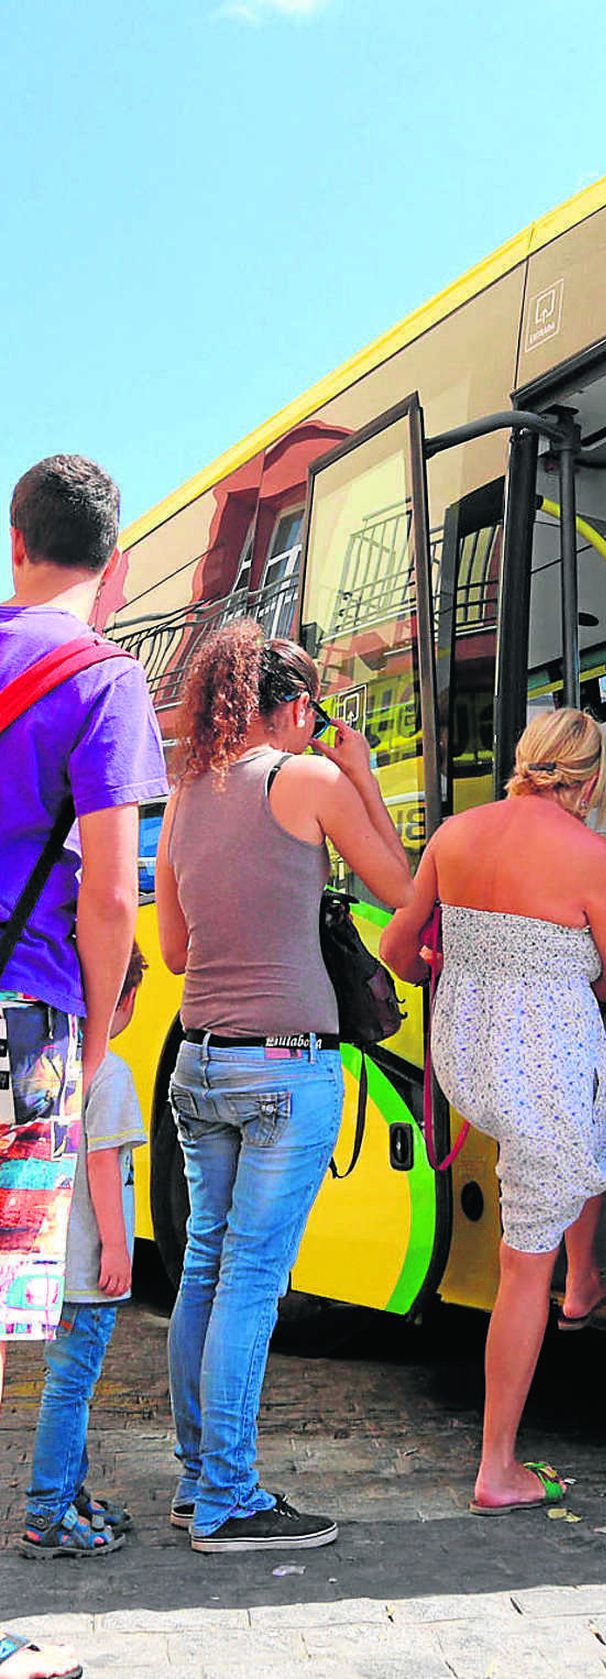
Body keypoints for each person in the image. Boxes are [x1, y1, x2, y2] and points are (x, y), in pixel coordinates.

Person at [156, 619, 412, 1552]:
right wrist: (367, 786)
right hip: (282, 1066)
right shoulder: (306, 780)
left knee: (206, 1265)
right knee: (254, 1279)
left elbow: (176, 949)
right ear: (299, 707)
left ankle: (196, 1482)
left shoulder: (187, 791)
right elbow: (401, 887)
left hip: (200, 1059)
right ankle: (228, 1500)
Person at [379, 709, 606, 1516]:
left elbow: (397, 952)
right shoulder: (592, 856)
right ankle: (499, 1465)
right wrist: (567, 966)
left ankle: (586, 1276)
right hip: (546, 1078)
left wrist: (457, 955)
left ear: (525, 764)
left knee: (547, 1206)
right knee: (524, 1265)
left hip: (470, 1064)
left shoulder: (455, 835)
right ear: (591, 779)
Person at [2, 456, 163, 1673]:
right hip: (28, 1017)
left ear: (16, 542)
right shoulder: (105, 679)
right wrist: (99, 1031)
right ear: (112, 564)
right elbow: (111, 887)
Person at [21, 945, 149, 1560]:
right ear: (120, 1000)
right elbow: (104, 1167)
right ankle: (47, 1511)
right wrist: (118, 1250)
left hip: (53, 1258)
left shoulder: (52, 1062)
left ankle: (70, 1496)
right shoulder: (112, 1071)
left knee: (68, 1382)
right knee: (70, 1387)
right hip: (86, 1266)